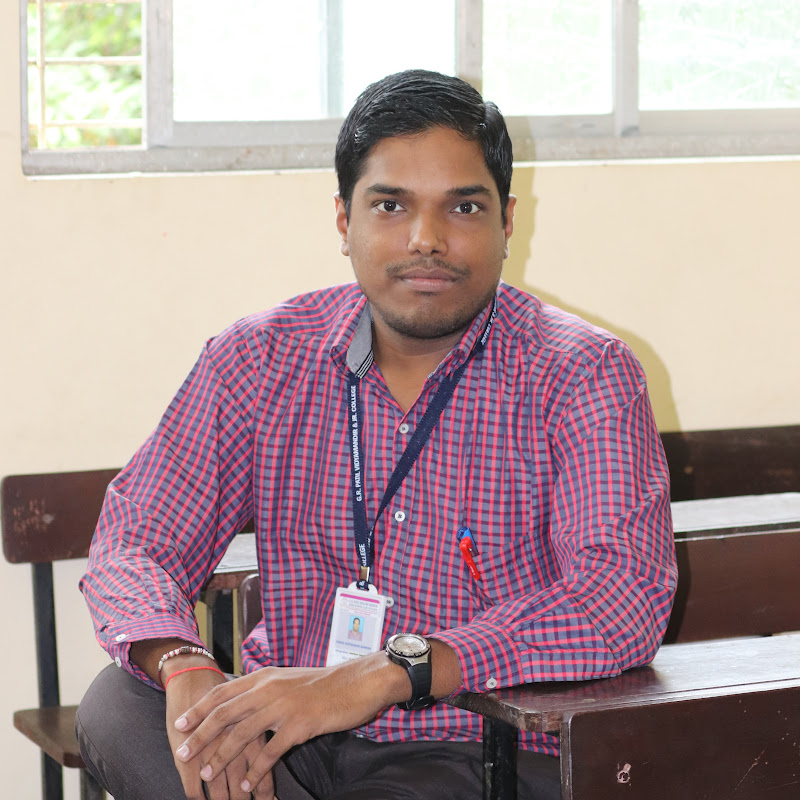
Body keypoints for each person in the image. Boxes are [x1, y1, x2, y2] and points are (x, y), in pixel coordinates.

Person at [76, 69, 677, 800]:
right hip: (287, 735)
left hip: (473, 747)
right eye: (390, 205)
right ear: (343, 220)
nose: (427, 239)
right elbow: (136, 540)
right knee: (118, 705)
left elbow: (619, 599)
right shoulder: (260, 359)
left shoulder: (582, 373)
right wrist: (183, 664)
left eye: (463, 206)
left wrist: (387, 673)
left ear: (507, 222)